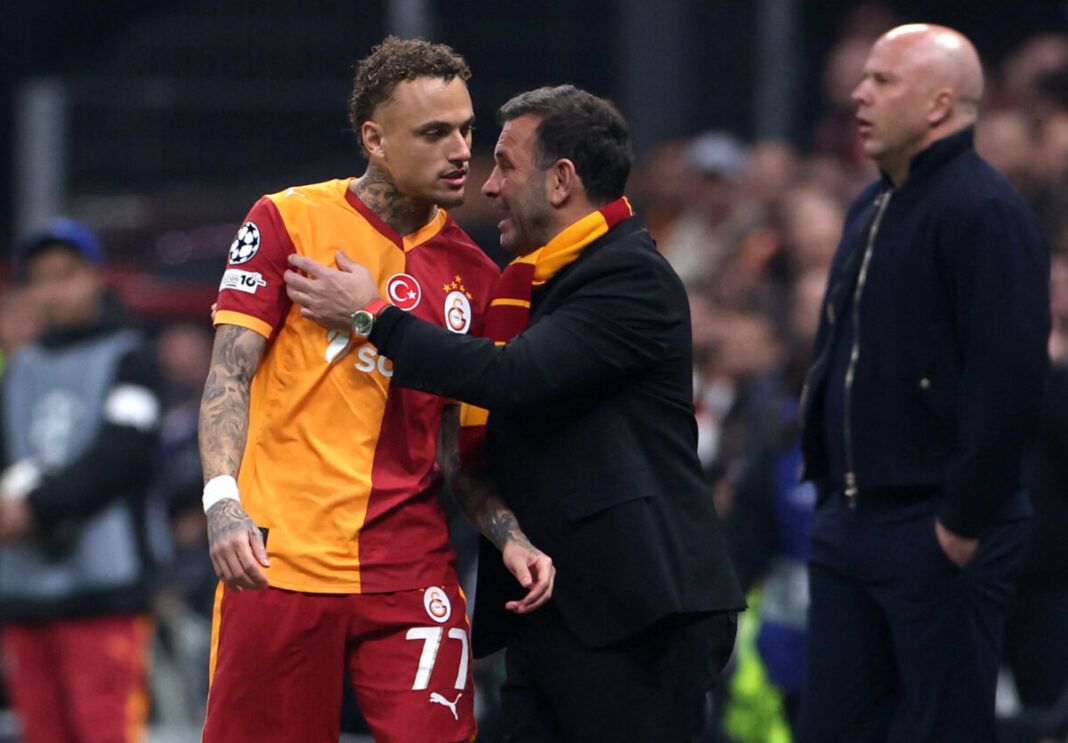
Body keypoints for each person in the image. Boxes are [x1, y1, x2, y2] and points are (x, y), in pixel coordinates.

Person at [284, 83, 746, 742]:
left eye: (505, 165)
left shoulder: (628, 277)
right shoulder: (535, 286)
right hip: (556, 607)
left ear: (561, 181)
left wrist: (373, 316)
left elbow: (513, 376)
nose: (490, 185)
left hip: (637, 613)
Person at [198, 36, 553, 743]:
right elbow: (227, 375)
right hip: (280, 562)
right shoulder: (288, 220)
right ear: (375, 140)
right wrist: (221, 503)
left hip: (410, 570)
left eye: (466, 130)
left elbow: (457, 452)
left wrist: (509, 536)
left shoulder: (478, 276)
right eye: (434, 133)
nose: (461, 151)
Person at [795, 24, 1050, 742]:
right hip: (850, 521)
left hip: (936, 525)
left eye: (883, 80)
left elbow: (1010, 381)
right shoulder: (870, 206)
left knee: (941, 729)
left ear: (939, 104)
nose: (859, 95)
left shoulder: (985, 210)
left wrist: (961, 522)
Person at [0, 218, 163, 743]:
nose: (55, 291)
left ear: (95, 277)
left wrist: (33, 509)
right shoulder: (19, 367)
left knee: (106, 731)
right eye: (42, 279)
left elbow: (120, 457)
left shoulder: (130, 357)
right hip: (23, 589)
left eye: (66, 275)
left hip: (105, 590)